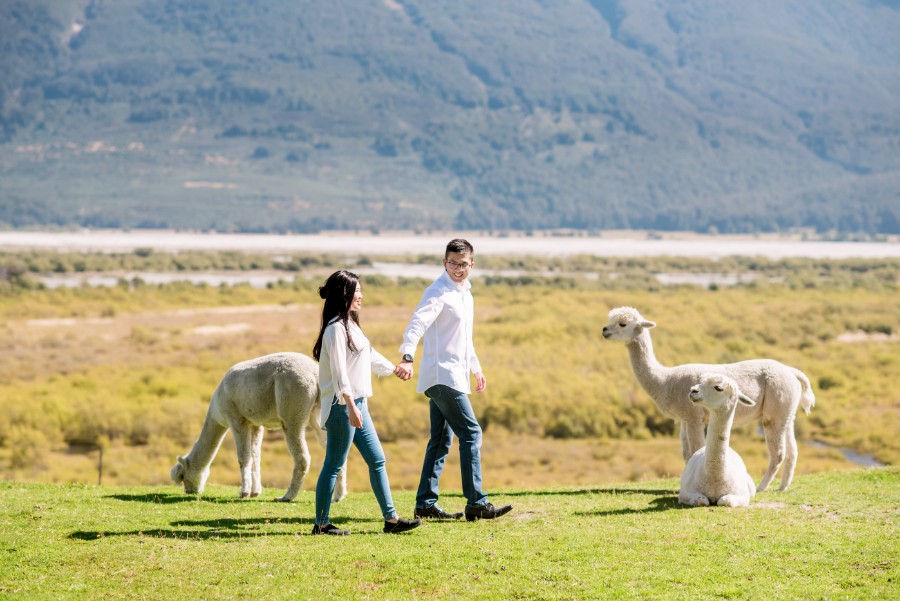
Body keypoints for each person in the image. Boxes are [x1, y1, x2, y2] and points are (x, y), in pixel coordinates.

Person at [396, 238, 513, 521]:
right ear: (443, 263)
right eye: (452, 263)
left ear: (472, 264)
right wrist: (407, 356)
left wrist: (476, 368)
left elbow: (464, 340)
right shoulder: (438, 292)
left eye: (463, 264)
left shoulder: (465, 294)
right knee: (471, 433)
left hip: (454, 375)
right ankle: (476, 502)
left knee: (440, 440)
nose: (457, 269)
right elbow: (417, 323)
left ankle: (425, 503)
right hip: (442, 375)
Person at [311, 270, 421, 535]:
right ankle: (322, 524)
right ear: (344, 294)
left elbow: (368, 356)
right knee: (334, 464)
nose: (361, 295)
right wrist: (349, 405)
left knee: (377, 459)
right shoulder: (335, 330)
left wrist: (394, 369)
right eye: (357, 290)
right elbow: (339, 373)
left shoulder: (351, 324)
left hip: (359, 404)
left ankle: (391, 520)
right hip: (342, 407)